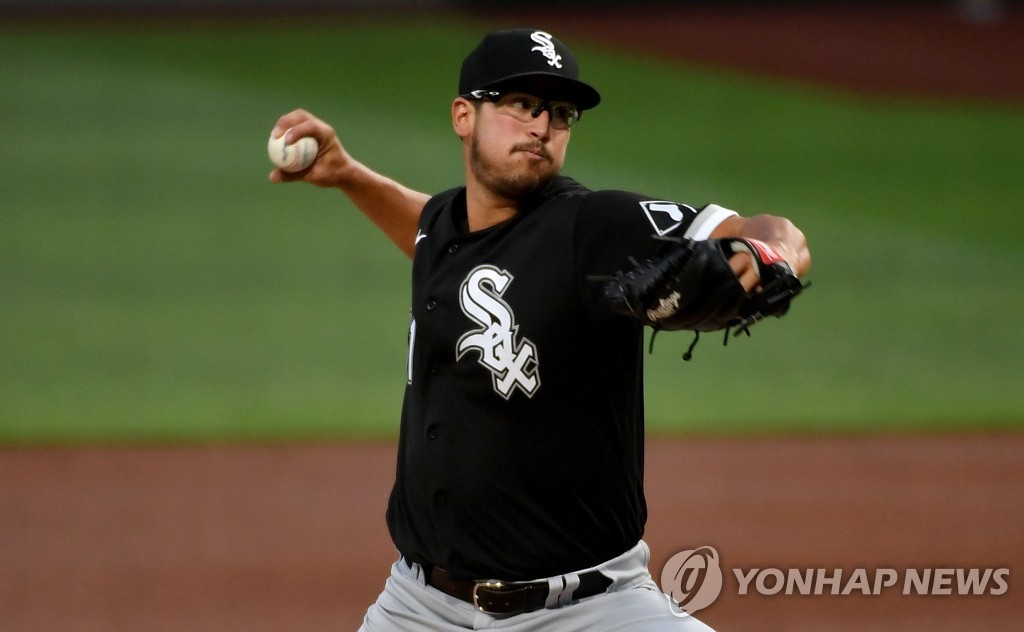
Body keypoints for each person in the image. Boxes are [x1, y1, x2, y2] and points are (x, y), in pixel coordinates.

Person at [269, 28, 810, 631]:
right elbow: (428, 231)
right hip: (417, 608)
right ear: (464, 115)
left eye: (560, 113)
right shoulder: (447, 225)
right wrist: (348, 175)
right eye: (522, 104)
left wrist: (771, 254)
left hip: (590, 610)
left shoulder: (591, 226)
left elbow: (761, 229)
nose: (542, 126)